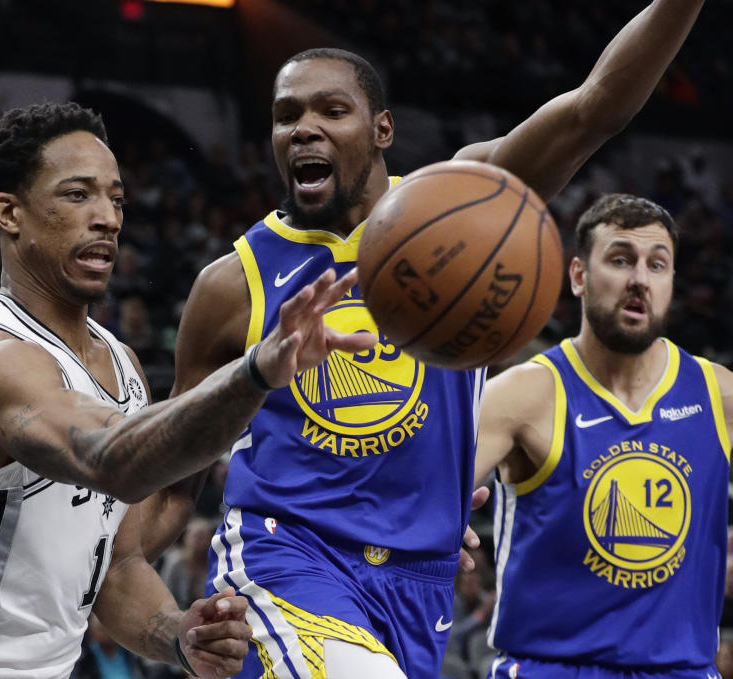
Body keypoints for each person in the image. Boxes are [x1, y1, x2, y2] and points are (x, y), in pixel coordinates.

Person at [151, 2, 706, 677]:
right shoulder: (233, 284)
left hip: (422, 584)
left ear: (383, 129)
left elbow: (596, 109)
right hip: (285, 557)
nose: (304, 129)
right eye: (286, 115)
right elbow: (170, 475)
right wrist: (139, 598)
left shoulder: (458, 211)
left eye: (331, 110)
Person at [0, 102, 375, 679]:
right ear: (9, 213)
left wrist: (178, 636)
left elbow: (116, 566)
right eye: (78, 195)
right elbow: (109, 460)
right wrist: (253, 373)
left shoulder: (119, 364)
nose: (108, 218)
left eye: (116, 199)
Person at [474, 194, 731, 677]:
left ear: (671, 283)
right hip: (551, 668)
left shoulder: (719, 395)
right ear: (578, 276)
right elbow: (424, 500)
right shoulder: (524, 394)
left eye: (657, 265)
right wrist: (443, 520)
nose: (639, 279)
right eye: (620, 259)